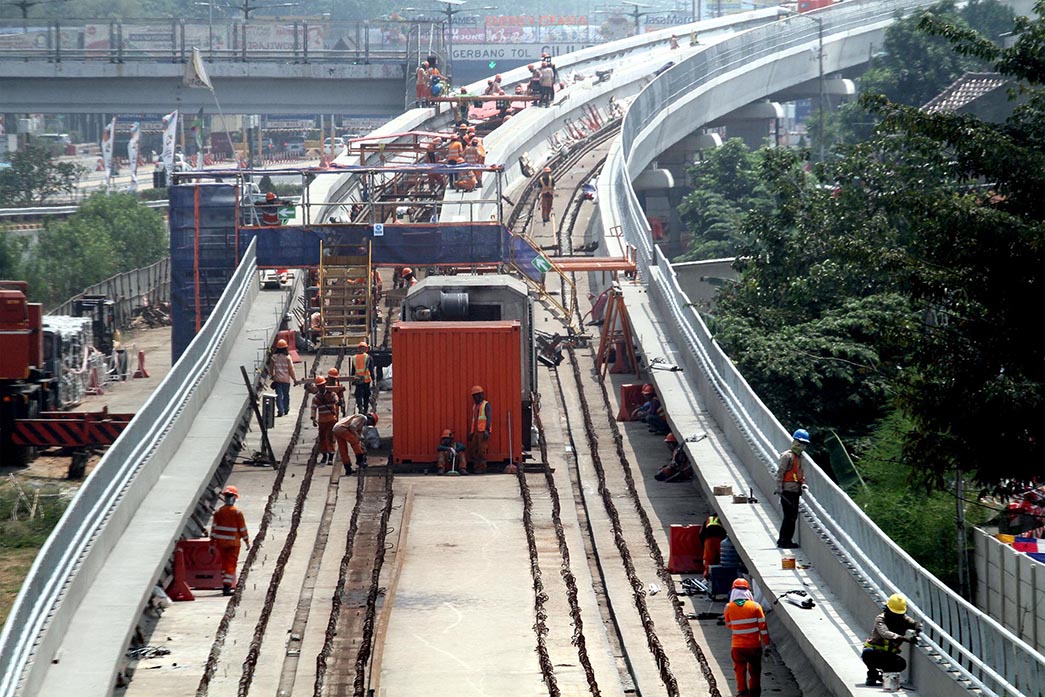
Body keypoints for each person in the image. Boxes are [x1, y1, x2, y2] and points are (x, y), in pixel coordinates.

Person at [724, 578, 770, 696]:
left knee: (739, 671)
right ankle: (754, 694)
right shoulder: (755, 606)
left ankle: (742, 692)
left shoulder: (729, 607)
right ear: (748, 591)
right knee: (755, 671)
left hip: (737, 647)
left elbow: (729, 625)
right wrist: (767, 643)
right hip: (754, 646)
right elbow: (763, 627)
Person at [862, 594, 922, 686]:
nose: (897, 616)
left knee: (901, 664)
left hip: (889, 655)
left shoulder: (903, 619)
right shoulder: (881, 619)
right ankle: (872, 674)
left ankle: (885, 676)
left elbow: (914, 623)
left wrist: (918, 627)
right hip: (876, 653)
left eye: (899, 614)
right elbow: (885, 633)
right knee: (867, 653)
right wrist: (904, 639)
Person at [210, 485, 250, 596]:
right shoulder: (237, 513)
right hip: (233, 544)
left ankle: (225, 585)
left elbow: (213, 530)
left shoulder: (218, 512)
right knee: (230, 565)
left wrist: (212, 545)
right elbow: (242, 529)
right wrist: (247, 541)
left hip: (221, 544)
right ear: (235, 498)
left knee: (224, 565)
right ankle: (227, 587)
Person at [775, 428, 809, 549]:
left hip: (796, 491)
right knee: (789, 517)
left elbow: (799, 474)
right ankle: (784, 541)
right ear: (794, 442)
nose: (801, 446)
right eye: (799, 443)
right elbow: (781, 473)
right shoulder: (787, 456)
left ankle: (786, 540)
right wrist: (779, 488)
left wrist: (803, 484)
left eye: (804, 444)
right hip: (787, 491)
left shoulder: (800, 458)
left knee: (792, 517)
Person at [333, 412, 377, 476]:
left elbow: (358, 433)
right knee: (354, 441)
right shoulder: (362, 418)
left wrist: (361, 442)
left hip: (336, 429)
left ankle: (348, 469)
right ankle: (360, 460)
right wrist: (357, 437)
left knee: (343, 450)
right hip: (342, 428)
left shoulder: (360, 424)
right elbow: (352, 426)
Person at [310, 376, 341, 464]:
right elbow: (313, 408)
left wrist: (339, 401)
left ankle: (330, 456)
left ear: (325, 385)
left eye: (322, 385)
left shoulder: (332, 395)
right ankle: (324, 455)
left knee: (330, 437)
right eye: (319, 386)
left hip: (331, 420)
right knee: (322, 438)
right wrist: (313, 418)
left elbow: (336, 401)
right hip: (322, 421)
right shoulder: (316, 398)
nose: (321, 387)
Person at [268, 338, 298, 417]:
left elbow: (271, 368)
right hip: (286, 380)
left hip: (277, 380)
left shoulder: (274, 357)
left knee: (278, 395)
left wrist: (272, 376)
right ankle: (286, 408)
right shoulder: (288, 357)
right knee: (286, 395)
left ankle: (280, 410)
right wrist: (294, 379)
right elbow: (291, 369)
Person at [468, 385, 492, 474]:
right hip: (475, 432)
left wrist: (487, 430)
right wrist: (471, 432)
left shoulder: (486, 405)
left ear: (481, 395)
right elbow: (474, 420)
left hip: (482, 432)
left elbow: (489, 418)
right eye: (473, 396)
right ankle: (476, 467)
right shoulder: (475, 406)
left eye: (476, 396)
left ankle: (482, 468)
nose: (474, 398)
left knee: (482, 451)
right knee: (474, 450)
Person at [350, 341, 374, 414]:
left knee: (358, 394)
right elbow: (371, 369)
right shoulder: (368, 357)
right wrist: (373, 379)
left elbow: (353, 370)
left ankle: (360, 407)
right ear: (366, 349)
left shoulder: (354, 358)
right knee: (366, 394)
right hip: (366, 379)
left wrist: (352, 379)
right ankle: (365, 408)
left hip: (358, 379)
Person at [700, 513, 727, 578]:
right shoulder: (722, 519)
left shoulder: (708, 519)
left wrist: (703, 547)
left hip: (708, 540)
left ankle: (707, 576)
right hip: (720, 540)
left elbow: (701, 534)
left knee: (708, 560)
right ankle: (723, 575)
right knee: (723, 559)